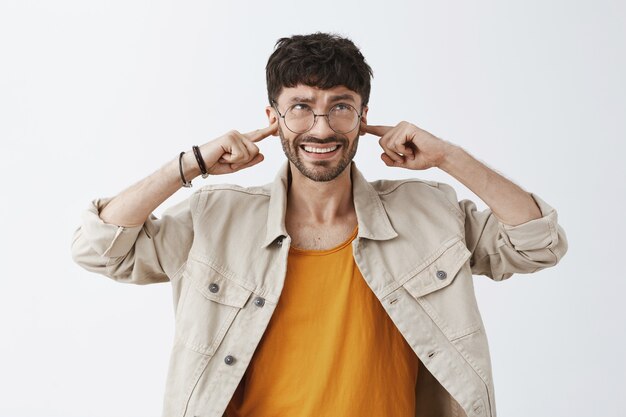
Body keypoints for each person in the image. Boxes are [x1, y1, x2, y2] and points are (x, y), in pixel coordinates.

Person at [71, 32, 568, 417]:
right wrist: (191, 164)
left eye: (340, 107)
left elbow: (538, 244)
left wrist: (449, 157)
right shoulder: (215, 218)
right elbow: (99, 248)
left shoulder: (428, 212)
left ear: (364, 115)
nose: (322, 127)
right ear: (272, 116)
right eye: (301, 108)